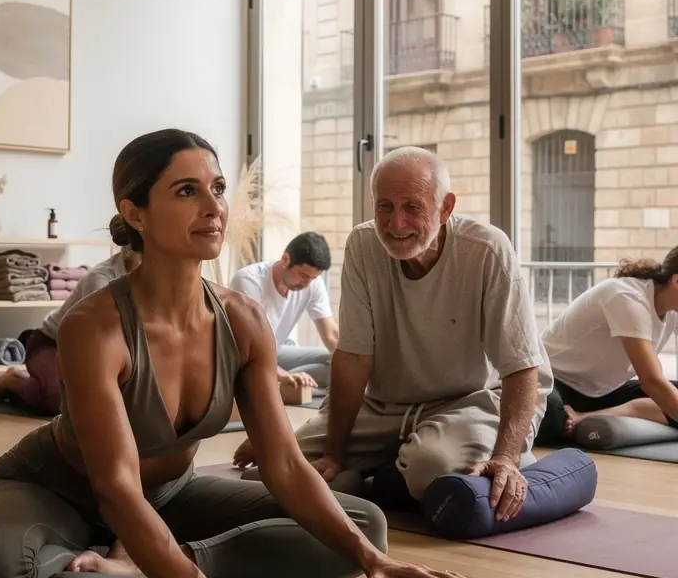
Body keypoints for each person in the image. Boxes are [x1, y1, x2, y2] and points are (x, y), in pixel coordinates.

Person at [0, 129, 482, 578]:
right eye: (188, 191)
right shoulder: (96, 325)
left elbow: (284, 464)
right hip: (59, 488)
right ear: (134, 212)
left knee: (363, 526)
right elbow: (115, 488)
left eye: (217, 188)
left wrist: (371, 563)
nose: (215, 206)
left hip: (169, 497)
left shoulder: (242, 320)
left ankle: (134, 564)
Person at [234, 146, 552, 523]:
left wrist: (505, 456)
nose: (396, 223)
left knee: (427, 466)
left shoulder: (487, 249)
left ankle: (490, 451)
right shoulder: (363, 245)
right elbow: (353, 356)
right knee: (277, 464)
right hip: (386, 407)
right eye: (384, 206)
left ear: (445, 207)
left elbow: (521, 365)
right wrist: (333, 453)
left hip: (471, 401)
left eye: (412, 207)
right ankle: (372, 468)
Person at [0, 247, 141, 414]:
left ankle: (40, 381)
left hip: (99, 352)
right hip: (51, 342)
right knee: (60, 401)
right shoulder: (101, 280)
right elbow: (102, 343)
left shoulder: (158, 279)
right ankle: (12, 380)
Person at [538, 248, 678, 442]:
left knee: (671, 396)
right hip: (552, 378)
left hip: (601, 392)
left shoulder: (672, 309)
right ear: (677, 281)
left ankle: (585, 417)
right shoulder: (628, 297)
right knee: (553, 421)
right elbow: (652, 381)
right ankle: (576, 418)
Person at [229, 232, 338, 388]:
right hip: (247, 357)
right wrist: (281, 374)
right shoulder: (249, 281)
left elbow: (332, 335)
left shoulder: (313, 283)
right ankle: (277, 381)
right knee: (254, 370)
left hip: (276, 353)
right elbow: (249, 346)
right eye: (303, 275)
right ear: (286, 260)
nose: (306, 283)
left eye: (312, 278)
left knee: (336, 362)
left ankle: (279, 383)